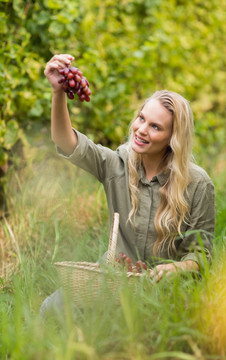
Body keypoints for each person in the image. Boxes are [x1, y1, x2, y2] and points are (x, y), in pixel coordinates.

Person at [40, 53, 215, 317]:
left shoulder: (198, 184)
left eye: (155, 127)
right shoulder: (116, 165)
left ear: (172, 138)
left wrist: (176, 268)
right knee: (51, 309)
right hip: (112, 280)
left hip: (162, 289)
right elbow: (67, 142)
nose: (141, 129)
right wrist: (58, 94)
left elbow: (202, 256)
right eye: (141, 118)